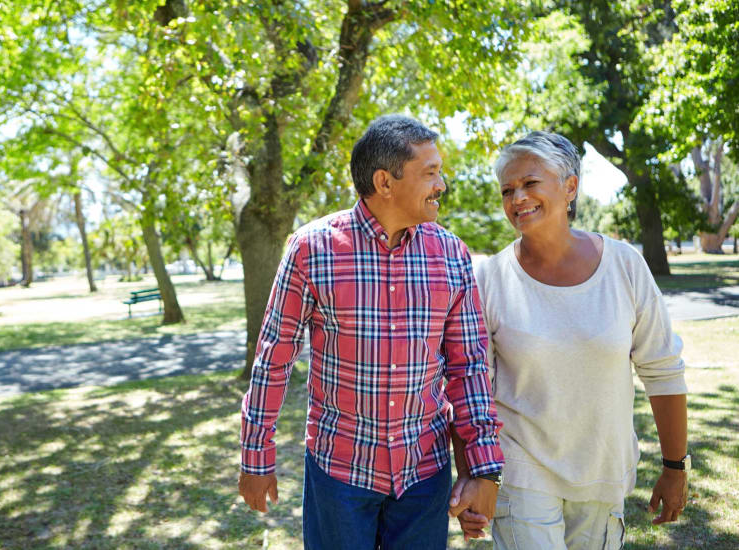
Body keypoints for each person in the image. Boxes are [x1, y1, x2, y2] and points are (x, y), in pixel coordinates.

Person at [239, 114, 504, 549]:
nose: (442, 184)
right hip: (339, 474)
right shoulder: (311, 248)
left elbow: (469, 368)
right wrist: (255, 456)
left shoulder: (451, 253)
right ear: (385, 182)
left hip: (424, 474)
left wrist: (482, 469)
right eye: (431, 173)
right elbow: (274, 357)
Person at [452, 131, 689, 548]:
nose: (517, 198)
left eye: (529, 183)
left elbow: (663, 369)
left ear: (570, 186)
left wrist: (675, 466)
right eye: (508, 190)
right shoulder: (488, 279)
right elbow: (470, 386)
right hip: (521, 470)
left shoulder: (625, 266)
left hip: (602, 472)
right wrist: (474, 476)